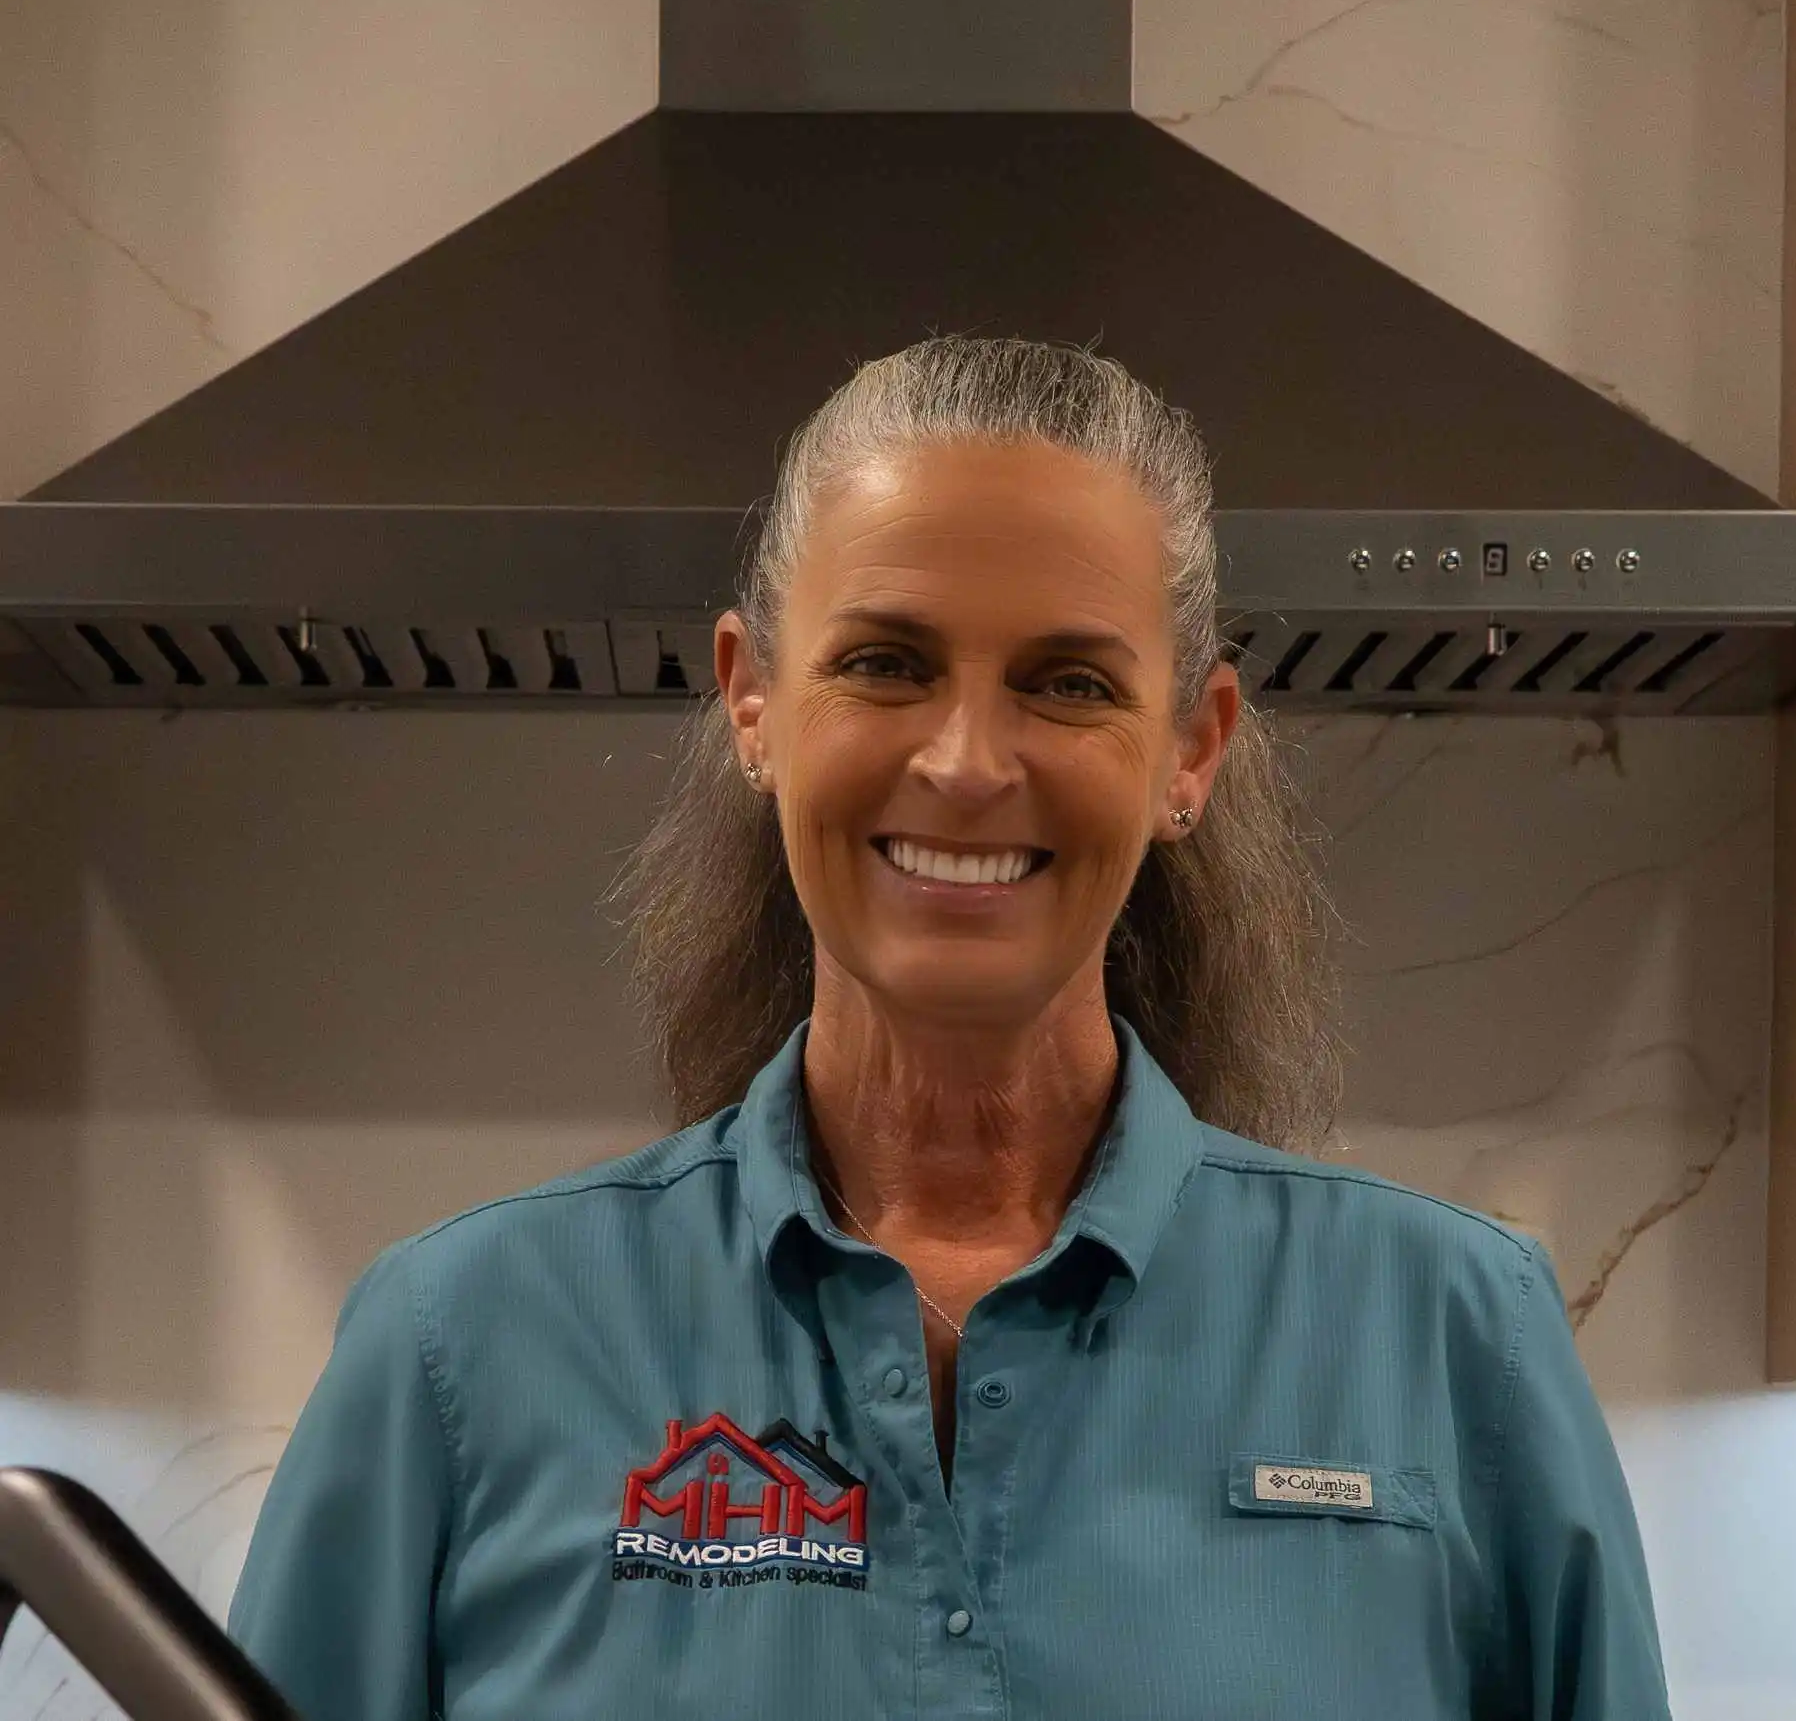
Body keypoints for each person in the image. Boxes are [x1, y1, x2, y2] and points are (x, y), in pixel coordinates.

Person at [227, 337, 1672, 1717]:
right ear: (752, 699)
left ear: (1193, 746)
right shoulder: (458, 1347)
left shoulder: (1454, 1341)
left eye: (1069, 683)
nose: (969, 760)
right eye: (884, 662)